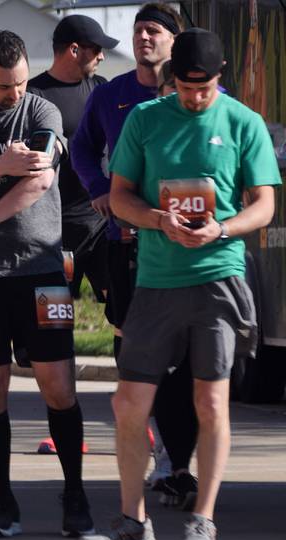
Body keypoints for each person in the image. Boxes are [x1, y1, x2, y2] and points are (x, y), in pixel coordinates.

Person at [75, 28, 280, 540]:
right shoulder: (145, 120)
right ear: (173, 79)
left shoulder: (244, 122)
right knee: (128, 404)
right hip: (157, 282)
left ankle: (202, 522)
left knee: (211, 403)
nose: (194, 97)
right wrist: (154, 219)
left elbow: (264, 204)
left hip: (218, 278)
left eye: (204, 88)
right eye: (186, 88)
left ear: (221, 75)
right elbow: (119, 196)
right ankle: (130, 521)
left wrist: (223, 229)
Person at [0, 30, 93, 539]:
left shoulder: (41, 112)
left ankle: (75, 492)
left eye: (22, 82)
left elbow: (41, 180)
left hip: (41, 271)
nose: (16, 94)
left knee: (58, 385)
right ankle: (2, 500)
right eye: (5, 86)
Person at [69, 3, 199, 503]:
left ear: (175, 40)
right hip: (126, 245)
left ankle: (178, 461)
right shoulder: (113, 95)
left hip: (190, 252)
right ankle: (157, 453)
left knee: (187, 364)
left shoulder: (206, 95)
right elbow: (82, 148)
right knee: (135, 354)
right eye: (139, 30)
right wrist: (100, 188)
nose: (144, 38)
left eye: (155, 31)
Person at [27, 14, 116, 306]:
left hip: (101, 221)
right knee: (53, 316)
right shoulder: (33, 95)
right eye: (96, 49)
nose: (102, 56)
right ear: (74, 50)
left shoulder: (100, 89)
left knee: (122, 308)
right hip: (56, 230)